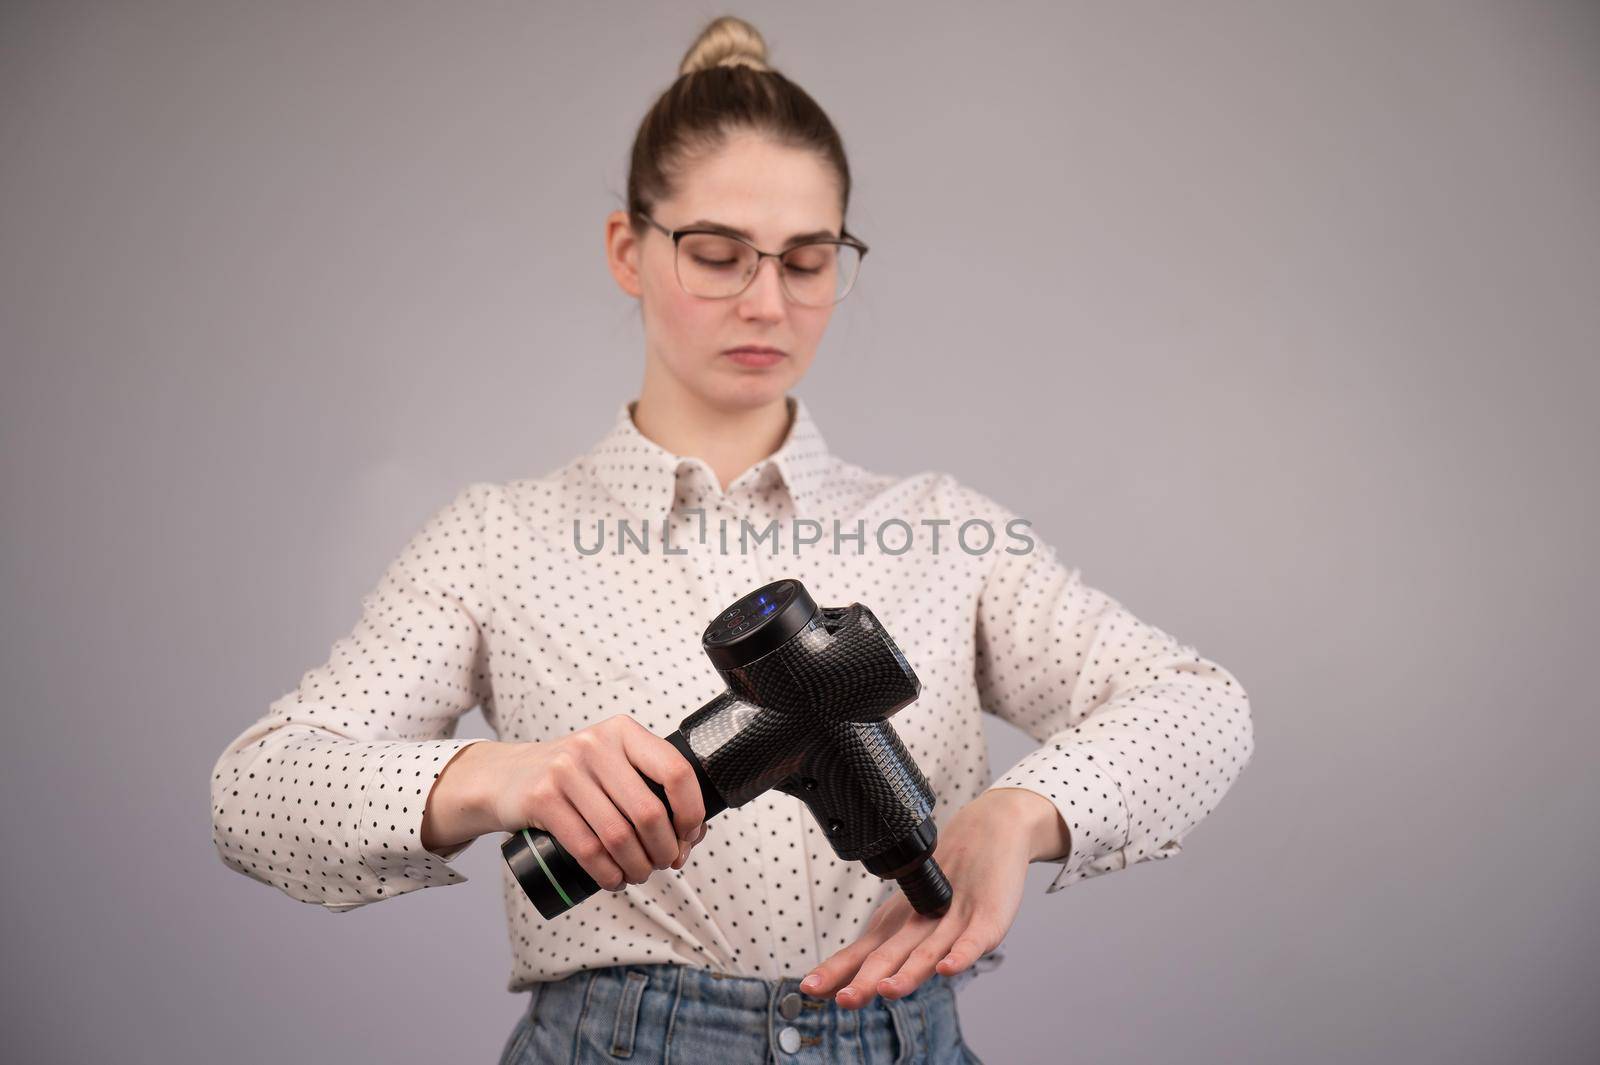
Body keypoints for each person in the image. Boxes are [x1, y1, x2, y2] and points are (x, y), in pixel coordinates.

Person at [209, 15, 1255, 1064]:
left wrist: (1025, 812)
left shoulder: (941, 532)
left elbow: (1198, 704)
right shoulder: (498, 540)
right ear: (628, 248)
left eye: (808, 261)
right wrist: (499, 779)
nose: (766, 302)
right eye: (717, 255)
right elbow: (255, 795)